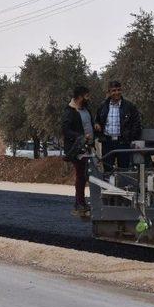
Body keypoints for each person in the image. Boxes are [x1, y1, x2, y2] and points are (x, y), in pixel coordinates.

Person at [94, 80, 142, 172]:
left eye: (118, 90)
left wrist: (130, 137)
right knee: (107, 170)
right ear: (109, 92)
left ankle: (123, 186)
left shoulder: (129, 106)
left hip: (123, 143)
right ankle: (108, 186)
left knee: (124, 169)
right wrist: (96, 124)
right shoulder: (103, 106)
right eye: (114, 90)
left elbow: (137, 123)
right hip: (107, 143)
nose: (117, 93)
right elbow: (97, 120)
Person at [62, 86, 94, 216]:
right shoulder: (69, 112)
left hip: (89, 147)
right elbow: (66, 130)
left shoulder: (86, 110)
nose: (88, 98)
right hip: (78, 149)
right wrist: (80, 137)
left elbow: (89, 124)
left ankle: (82, 202)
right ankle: (79, 203)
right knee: (81, 175)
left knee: (87, 175)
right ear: (80, 97)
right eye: (87, 96)